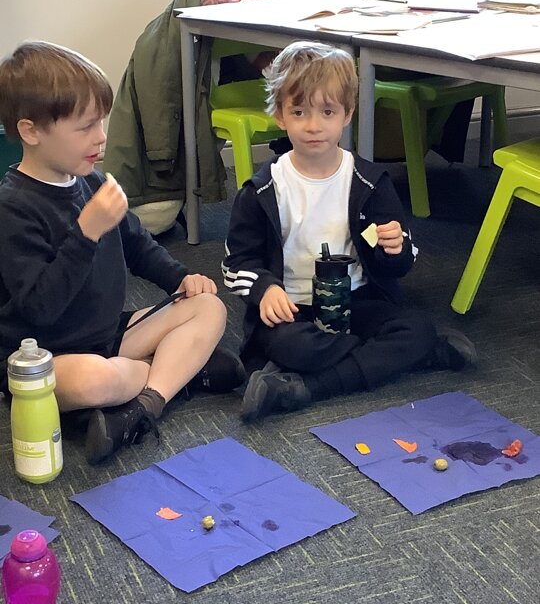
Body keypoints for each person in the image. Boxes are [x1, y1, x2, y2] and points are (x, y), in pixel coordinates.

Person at [0, 41, 245, 464]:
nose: (101, 137)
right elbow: (41, 308)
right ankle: (180, 375)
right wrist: (86, 233)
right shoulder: (12, 208)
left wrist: (180, 278)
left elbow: (138, 245)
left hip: (109, 336)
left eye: (101, 122)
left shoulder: (92, 182)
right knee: (93, 380)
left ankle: (145, 404)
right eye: (85, 127)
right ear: (31, 131)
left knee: (209, 306)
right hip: (47, 358)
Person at [222, 41, 477, 421]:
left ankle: (306, 388)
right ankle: (405, 356)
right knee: (292, 347)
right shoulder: (263, 189)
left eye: (327, 112)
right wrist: (265, 289)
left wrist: (394, 249)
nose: (314, 125)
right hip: (295, 310)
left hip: (358, 302)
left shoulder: (368, 181)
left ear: (347, 114)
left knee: (416, 327)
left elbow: (402, 259)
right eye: (299, 112)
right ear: (280, 115)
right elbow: (235, 264)